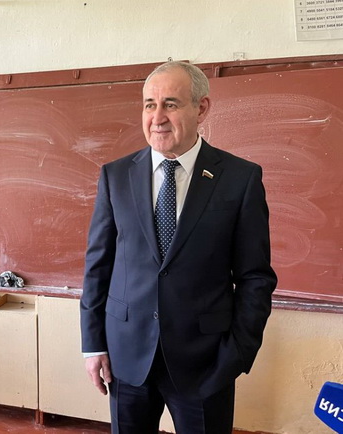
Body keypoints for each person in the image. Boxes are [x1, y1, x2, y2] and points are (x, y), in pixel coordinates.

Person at [80, 61, 277, 434]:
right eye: (149, 104)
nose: (157, 117)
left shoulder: (240, 179)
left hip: (206, 363)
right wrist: (93, 345)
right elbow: (98, 267)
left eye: (170, 104)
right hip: (127, 360)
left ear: (201, 108)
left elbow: (255, 277)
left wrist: (236, 354)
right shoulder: (116, 176)